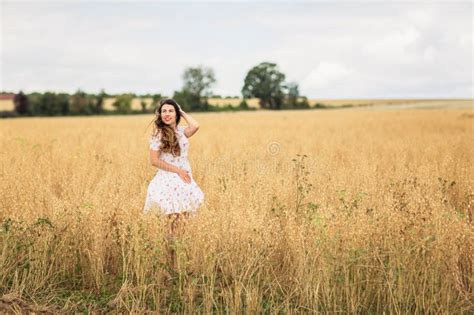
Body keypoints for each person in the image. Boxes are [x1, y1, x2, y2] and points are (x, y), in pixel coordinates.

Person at [143, 98, 204, 271]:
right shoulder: (157, 135)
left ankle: (179, 262)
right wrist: (177, 170)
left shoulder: (182, 131)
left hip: (184, 180)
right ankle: (171, 264)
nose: (167, 114)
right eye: (164, 111)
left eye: (171, 111)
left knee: (182, 224)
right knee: (171, 225)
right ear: (160, 115)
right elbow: (154, 161)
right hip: (168, 181)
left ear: (176, 114)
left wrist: (182, 111)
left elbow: (196, 125)